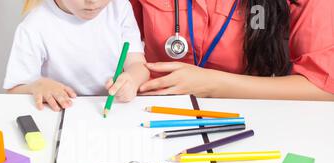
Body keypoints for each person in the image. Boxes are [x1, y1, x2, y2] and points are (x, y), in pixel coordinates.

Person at [130, 0, 334, 101]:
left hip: (250, 118)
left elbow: (324, 86)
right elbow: (118, 42)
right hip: (153, 111)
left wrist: (212, 84)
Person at [4, 0, 150, 111]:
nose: (93, 2)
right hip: (63, 112)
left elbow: (137, 65)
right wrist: (37, 86)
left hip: (112, 109)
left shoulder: (120, 7)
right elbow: (14, 89)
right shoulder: (34, 24)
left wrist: (133, 80)